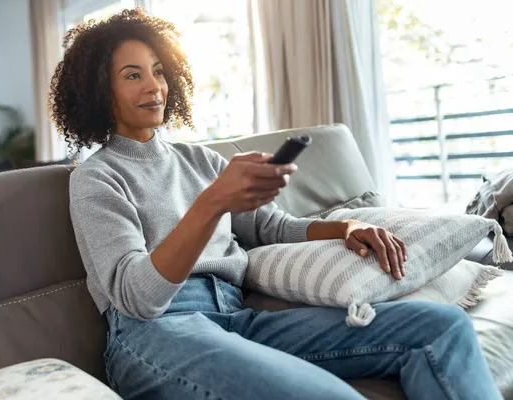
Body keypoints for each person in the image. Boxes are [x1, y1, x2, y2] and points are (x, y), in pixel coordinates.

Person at [49, 8, 500, 400]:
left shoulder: (199, 160)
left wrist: (343, 228)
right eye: (133, 75)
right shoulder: (97, 178)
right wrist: (210, 205)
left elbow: (273, 228)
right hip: (157, 334)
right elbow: (135, 299)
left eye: (159, 71)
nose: (155, 87)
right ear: (98, 94)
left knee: (439, 328)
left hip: (239, 317)